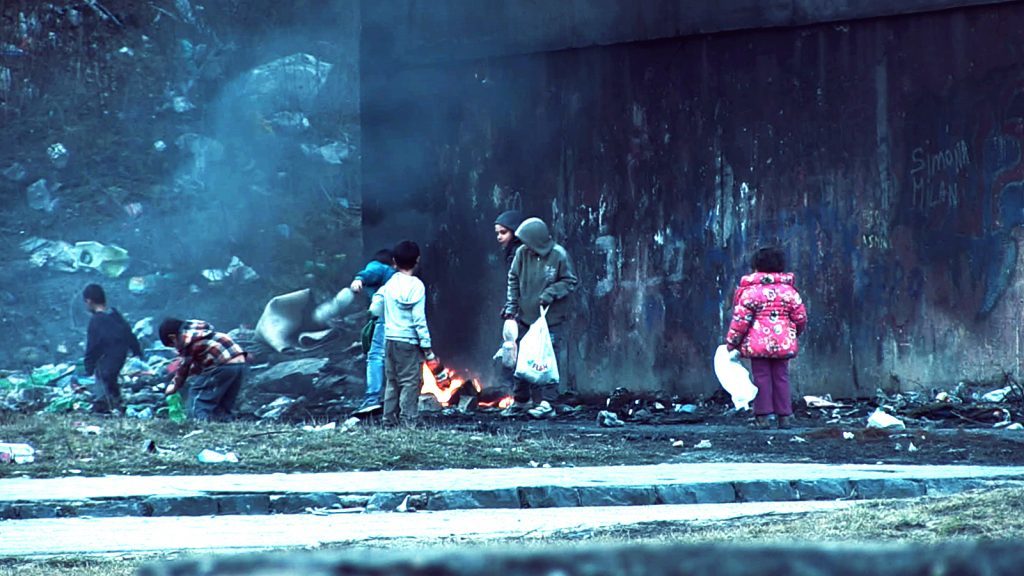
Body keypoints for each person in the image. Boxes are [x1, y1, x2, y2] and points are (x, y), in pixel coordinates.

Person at [502, 217, 579, 419]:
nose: (524, 245)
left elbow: (570, 281)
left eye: (527, 241)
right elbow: (513, 279)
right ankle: (520, 401)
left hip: (550, 320)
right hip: (525, 318)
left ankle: (548, 403)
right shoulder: (521, 254)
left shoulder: (558, 255)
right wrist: (511, 307)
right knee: (521, 361)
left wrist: (551, 293)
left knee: (548, 360)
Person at [724, 246, 808, 429]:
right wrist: (793, 333)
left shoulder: (750, 292)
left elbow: (740, 321)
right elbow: (800, 317)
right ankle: (784, 417)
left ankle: (762, 417)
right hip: (783, 343)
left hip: (758, 345)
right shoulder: (790, 292)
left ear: (755, 267)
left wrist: (732, 342)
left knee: (761, 377)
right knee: (781, 377)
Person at [370, 240, 442, 426]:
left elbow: (376, 305)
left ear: (394, 261)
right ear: (417, 260)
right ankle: (409, 420)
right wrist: (427, 347)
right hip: (408, 343)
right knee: (410, 382)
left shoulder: (390, 283)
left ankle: (389, 419)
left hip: (390, 340)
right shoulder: (417, 286)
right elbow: (419, 321)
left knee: (392, 382)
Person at [159, 318, 248, 421]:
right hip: (240, 363)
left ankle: (199, 423)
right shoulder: (202, 332)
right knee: (223, 400)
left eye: (173, 345)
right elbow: (199, 364)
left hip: (222, 364)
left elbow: (184, 368)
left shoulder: (187, 340)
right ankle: (224, 421)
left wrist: (173, 386)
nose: (175, 349)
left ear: (173, 338)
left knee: (198, 395)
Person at [82, 283, 142, 414]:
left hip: (106, 360)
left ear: (89, 301)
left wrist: (88, 365)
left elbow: (92, 345)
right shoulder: (115, 315)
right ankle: (119, 406)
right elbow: (129, 334)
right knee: (112, 383)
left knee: (102, 387)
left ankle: (104, 410)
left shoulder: (96, 320)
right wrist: (136, 351)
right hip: (120, 357)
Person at [350, 249, 397, 412]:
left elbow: (369, 273)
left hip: (385, 315)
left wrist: (358, 279)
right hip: (399, 318)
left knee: (375, 355)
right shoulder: (397, 275)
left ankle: (372, 398)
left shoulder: (379, 267)